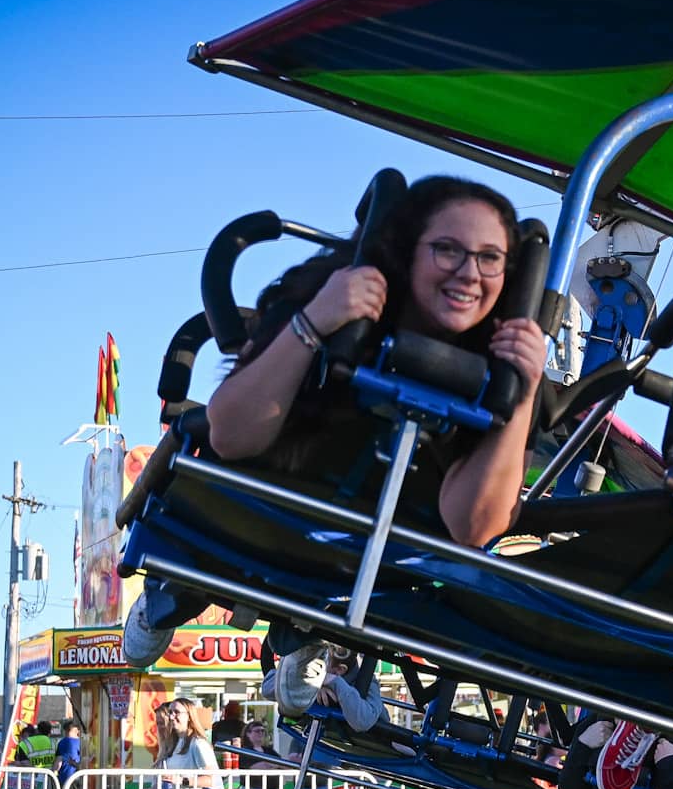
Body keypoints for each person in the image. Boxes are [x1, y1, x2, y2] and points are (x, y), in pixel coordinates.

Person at [122, 175, 546, 668]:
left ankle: (304, 632)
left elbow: (474, 527)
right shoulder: (329, 288)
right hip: (253, 498)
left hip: (375, 558)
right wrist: (316, 319)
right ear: (408, 250)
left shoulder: (501, 365)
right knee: (202, 536)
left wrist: (523, 392)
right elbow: (232, 436)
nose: (470, 274)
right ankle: (168, 595)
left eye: (489, 258)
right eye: (448, 250)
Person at [55, 721, 82, 788]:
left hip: (64, 778)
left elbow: (58, 762)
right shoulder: (81, 742)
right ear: (77, 731)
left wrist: (52, 773)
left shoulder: (62, 742)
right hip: (78, 777)